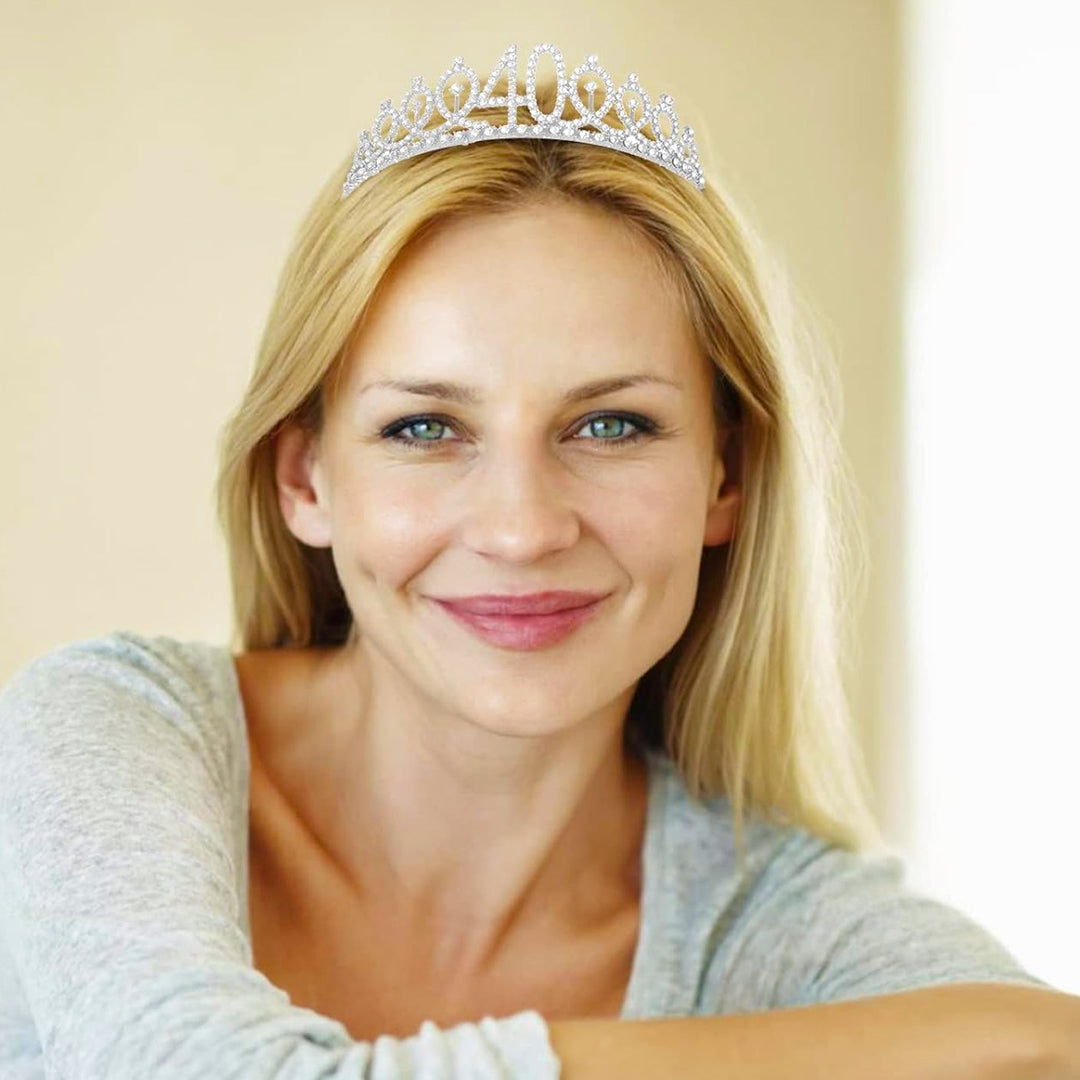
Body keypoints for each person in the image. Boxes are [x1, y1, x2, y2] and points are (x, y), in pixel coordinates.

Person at [0, 43, 1071, 1080]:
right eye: (426, 428)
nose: (521, 529)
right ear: (305, 480)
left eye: (610, 426)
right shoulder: (115, 734)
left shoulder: (781, 926)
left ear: (726, 478)